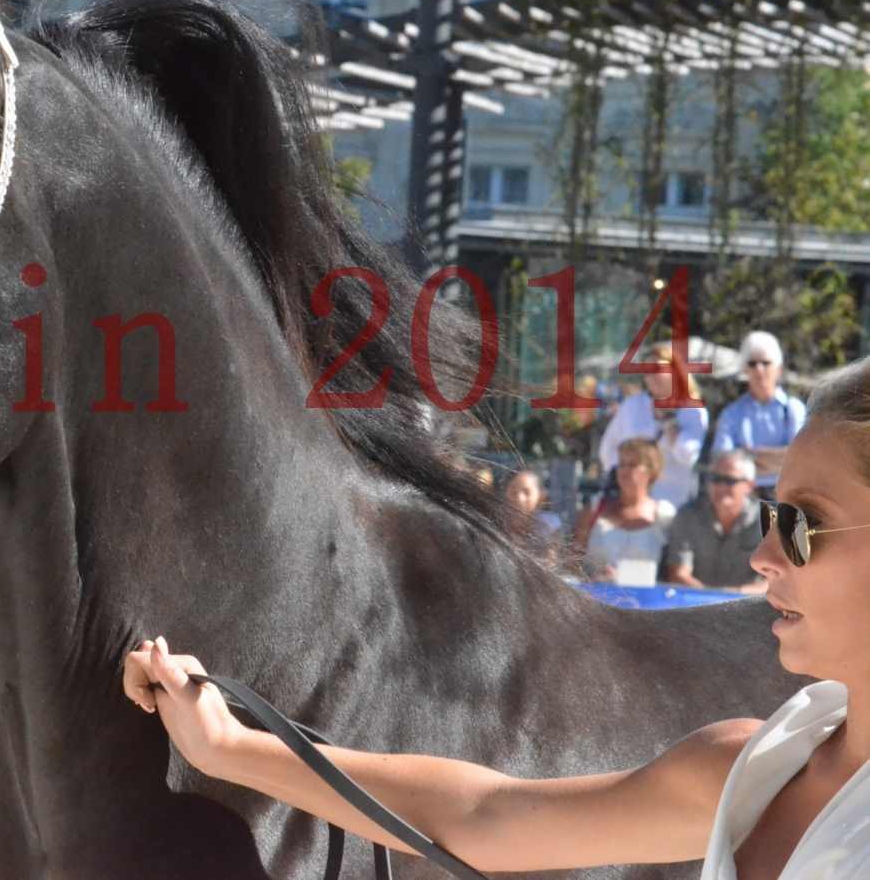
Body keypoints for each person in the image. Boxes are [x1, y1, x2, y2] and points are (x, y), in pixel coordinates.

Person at [123, 354, 870, 877]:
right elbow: (479, 816)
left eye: (803, 524)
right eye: (771, 513)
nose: (763, 554)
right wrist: (223, 746)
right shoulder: (758, 766)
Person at [595, 342, 709, 506]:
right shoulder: (632, 405)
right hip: (631, 504)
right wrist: (627, 473)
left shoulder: (693, 411)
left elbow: (687, 455)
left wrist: (670, 423)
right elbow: (607, 450)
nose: (651, 375)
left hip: (671, 504)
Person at [711, 330, 808, 498]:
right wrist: (779, 456)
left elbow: (801, 459)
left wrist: (747, 454)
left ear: (779, 369)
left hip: (786, 496)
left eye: (765, 362)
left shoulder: (794, 409)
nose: (759, 369)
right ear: (744, 370)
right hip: (745, 497)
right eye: (752, 363)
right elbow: (722, 460)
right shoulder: (732, 413)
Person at [572, 438, 676, 583]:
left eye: (632, 465)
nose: (624, 471)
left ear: (651, 471)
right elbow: (572, 562)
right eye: (621, 464)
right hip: (596, 600)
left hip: (647, 602)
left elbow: (672, 572)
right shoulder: (595, 508)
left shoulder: (665, 515)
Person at [665, 451, 766, 595]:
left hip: (747, 606)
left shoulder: (765, 521)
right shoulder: (688, 515)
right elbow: (678, 574)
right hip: (695, 606)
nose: (721, 487)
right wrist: (711, 601)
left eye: (730, 481)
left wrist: (733, 595)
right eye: (716, 479)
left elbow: (773, 581)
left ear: (749, 486)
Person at [501, 468, 560, 556]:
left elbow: (551, 563)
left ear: (541, 497)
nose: (519, 498)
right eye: (513, 491)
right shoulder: (495, 522)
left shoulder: (548, 526)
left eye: (526, 492)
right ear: (505, 493)